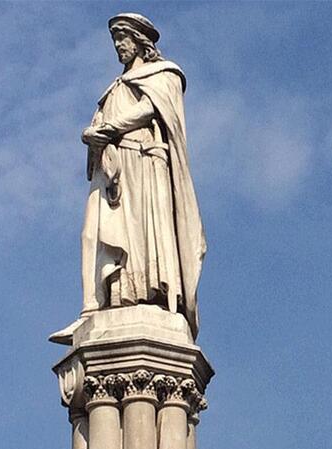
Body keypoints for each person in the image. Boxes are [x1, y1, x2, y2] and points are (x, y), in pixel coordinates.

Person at [77, 13, 206, 338]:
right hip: (117, 170)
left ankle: (151, 291)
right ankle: (112, 297)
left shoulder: (165, 75)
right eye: (115, 40)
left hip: (147, 164)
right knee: (103, 232)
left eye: (124, 39)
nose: (119, 46)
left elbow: (152, 108)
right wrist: (94, 135)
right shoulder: (113, 89)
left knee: (145, 230)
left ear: (140, 41)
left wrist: (108, 129)